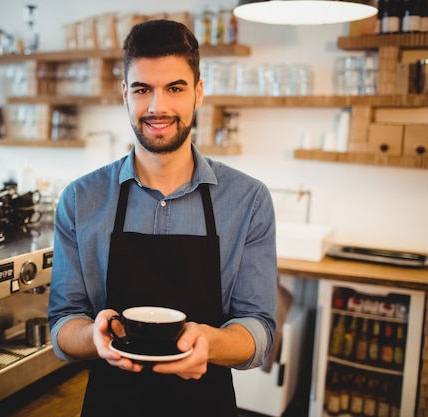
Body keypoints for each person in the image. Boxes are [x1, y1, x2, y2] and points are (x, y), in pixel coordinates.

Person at [48, 19, 277, 417]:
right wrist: (93, 338)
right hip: (109, 405)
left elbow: (258, 329)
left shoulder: (249, 200)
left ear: (198, 93)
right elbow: (63, 324)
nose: (158, 107)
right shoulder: (80, 200)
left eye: (175, 88)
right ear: (125, 94)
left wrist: (212, 343)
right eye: (142, 89)